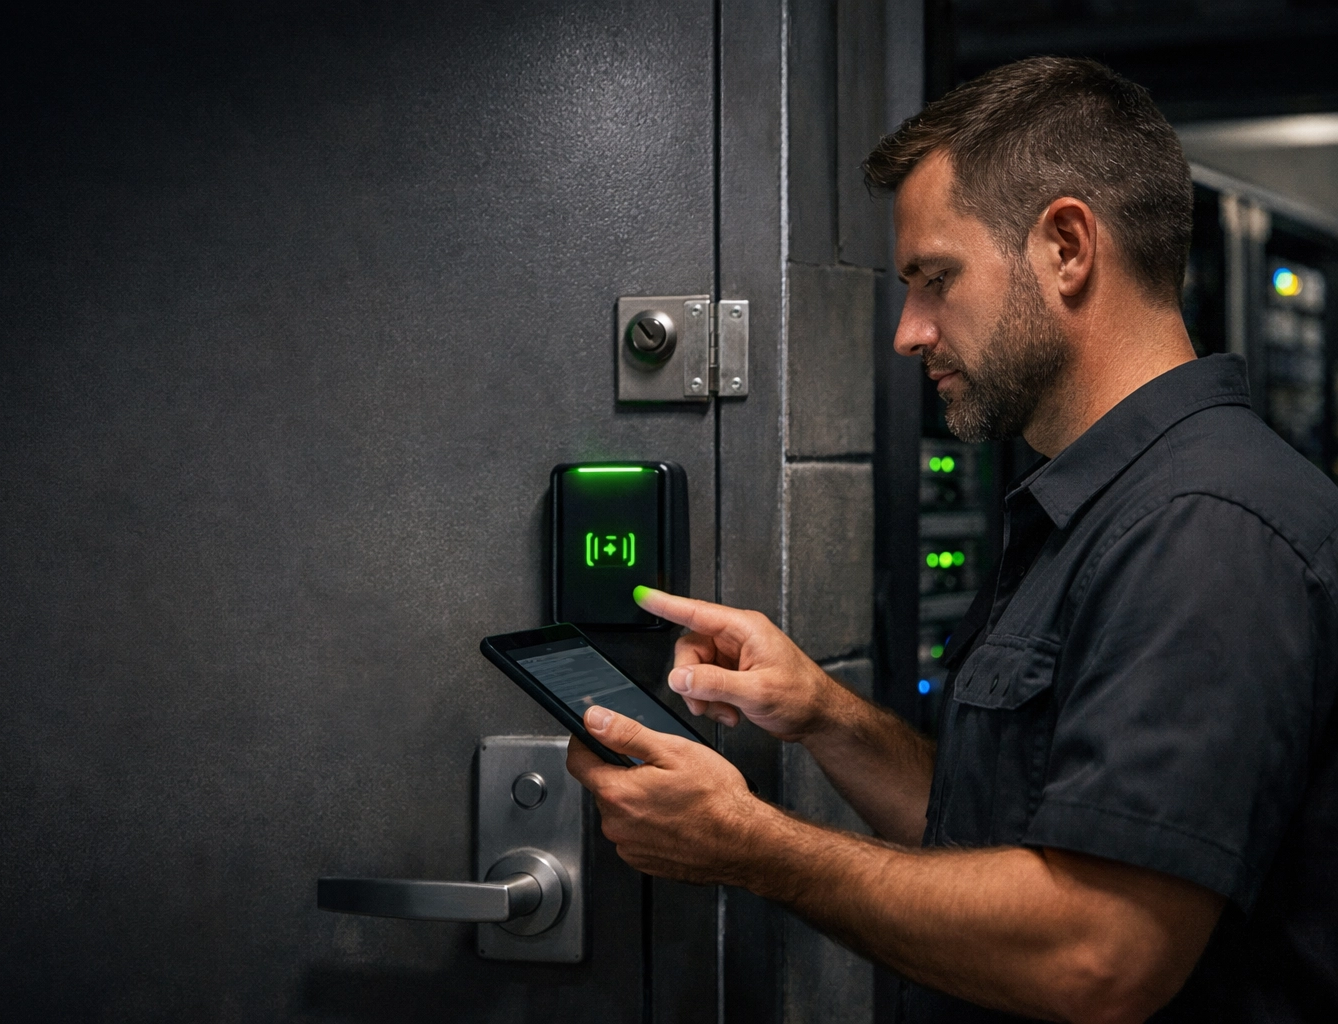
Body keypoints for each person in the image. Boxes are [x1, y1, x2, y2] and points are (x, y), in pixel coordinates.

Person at [565, 56, 1338, 1023]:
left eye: (937, 279)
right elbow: (1003, 831)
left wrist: (749, 845)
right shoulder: (1103, 506)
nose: (909, 332)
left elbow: (1099, 952)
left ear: (1067, 247)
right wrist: (821, 714)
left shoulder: (1206, 527)